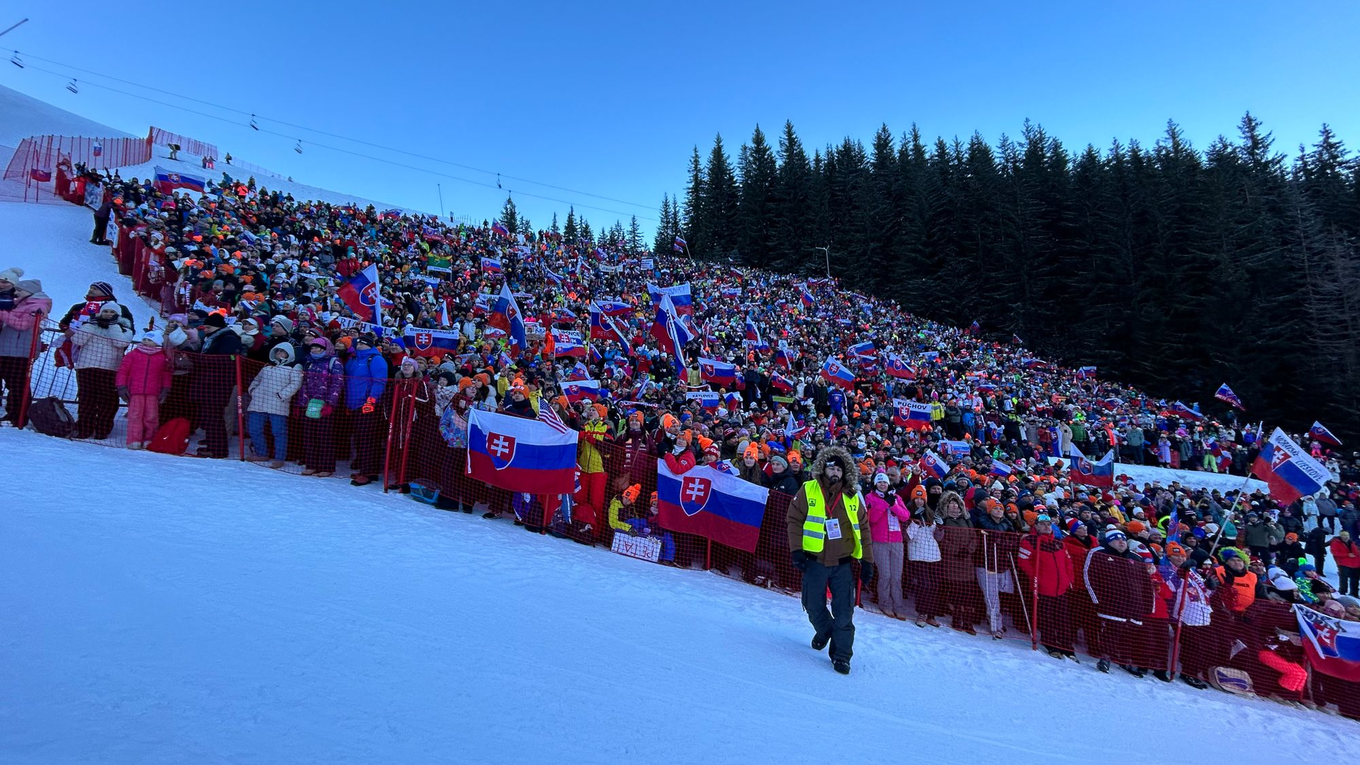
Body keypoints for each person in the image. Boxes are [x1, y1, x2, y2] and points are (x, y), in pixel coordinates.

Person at [787, 445, 874, 675]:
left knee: (844, 613)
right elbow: (793, 520)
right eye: (830, 468)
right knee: (813, 606)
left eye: (838, 468)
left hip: (843, 563)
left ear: (844, 472)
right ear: (822, 470)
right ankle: (824, 630)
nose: (834, 472)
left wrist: (867, 560)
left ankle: (841, 656)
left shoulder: (853, 496)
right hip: (814, 561)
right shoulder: (808, 490)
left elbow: (864, 529)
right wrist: (796, 550)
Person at [1083, 529, 1156, 676]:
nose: (1121, 541)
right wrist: (1097, 599)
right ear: (1109, 541)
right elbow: (1089, 575)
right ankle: (1105, 658)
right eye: (1116, 539)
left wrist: (1148, 605)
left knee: (1130, 634)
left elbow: (1147, 584)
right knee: (1112, 632)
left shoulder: (1135, 557)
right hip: (1111, 603)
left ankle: (1126, 660)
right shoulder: (1099, 553)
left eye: (1123, 538)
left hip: (1134, 606)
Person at [70, 302, 133, 440]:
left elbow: (120, 343)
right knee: (86, 400)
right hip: (86, 367)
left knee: (108, 401)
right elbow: (77, 340)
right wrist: (90, 325)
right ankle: (84, 428)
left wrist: (113, 325)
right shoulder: (90, 325)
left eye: (112, 312)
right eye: (106, 311)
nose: (108, 314)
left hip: (110, 369)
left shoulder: (124, 329)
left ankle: (102, 429)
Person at [1018, 514, 1076, 659]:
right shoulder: (1030, 541)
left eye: (1048, 524)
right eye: (1042, 524)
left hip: (1060, 587)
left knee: (1063, 618)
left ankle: (1066, 645)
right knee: (1046, 617)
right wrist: (1036, 577)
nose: (1046, 526)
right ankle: (1050, 643)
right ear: (1036, 526)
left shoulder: (1059, 543)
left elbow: (1068, 562)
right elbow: (1023, 561)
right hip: (1043, 587)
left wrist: (1069, 579)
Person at [0, 276, 52, 428]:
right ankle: (12, 413)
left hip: (20, 351)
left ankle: (18, 416)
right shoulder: (19, 304)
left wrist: (2, 313)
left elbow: (22, 325)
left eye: (19, 290)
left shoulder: (38, 306)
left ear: (29, 291)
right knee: (12, 383)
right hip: (8, 348)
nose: (16, 292)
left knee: (18, 384)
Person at [194, 313, 242, 458]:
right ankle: (211, 442)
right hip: (209, 382)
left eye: (208, 327)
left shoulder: (229, 339)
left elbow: (224, 360)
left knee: (215, 416)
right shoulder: (211, 338)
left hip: (219, 383)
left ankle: (218, 449)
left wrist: (201, 360)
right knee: (210, 415)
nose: (206, 329)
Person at [246, 343, 302, 468]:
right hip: (258, 402)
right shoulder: (267, 366)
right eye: (277, 351)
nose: (279, 353)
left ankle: (279, 458)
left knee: (279, 432)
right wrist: (253, 390)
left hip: (278, 404)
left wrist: (281, 395)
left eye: (282, 351)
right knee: (254, 429)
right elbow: (256, 379)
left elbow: (295, 383)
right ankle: (261, 453)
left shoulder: (294, 367)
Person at [863, 472, 910, 619]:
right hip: (880, 540)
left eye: (885, 482)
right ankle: (885, 603)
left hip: (896, 540)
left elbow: (905, 515)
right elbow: (872, 518)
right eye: (880, 482)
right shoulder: (870, 497)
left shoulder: (896, 498)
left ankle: (898, 605)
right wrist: (885, 504)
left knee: (896, 576)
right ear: (875, 484)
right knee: (885, 575)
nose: (883, 485)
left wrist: (893, 505)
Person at [114, 330, 171, 449]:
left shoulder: (162, 357)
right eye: (144, 339)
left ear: (157, 343)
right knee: (135, 415)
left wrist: (165, 389)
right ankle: (134, 439)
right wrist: (121, 386)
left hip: (153, 392)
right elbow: (123, 371)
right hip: (135, 391)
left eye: (150, 340)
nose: (146, 342)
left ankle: (149, 438)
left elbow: (166, 374)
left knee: (151, 416)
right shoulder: (133, 354)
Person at [344, 333, 388, 486]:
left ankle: (368, 472)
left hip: (367, 406)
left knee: (368, 440)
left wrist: (371, 400)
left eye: (363, 344)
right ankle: (367, 470)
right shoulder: (354, 359)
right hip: (354, 404)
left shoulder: (376, 360)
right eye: (358, 343)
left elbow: (379, 382)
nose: (359, 346)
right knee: (359, 439)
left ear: (370, 346)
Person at [298, 337, 344, 477]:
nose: (314, 350)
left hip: (324, 403)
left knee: (324, 437)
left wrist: (330, 403)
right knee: (309, 435)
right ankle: (311, 464)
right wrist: (302, 402)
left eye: (318, 348)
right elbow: (304, 383)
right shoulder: (309, 362)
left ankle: (326, 466)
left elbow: (337, 383)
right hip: (310, 403)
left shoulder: (333, 362)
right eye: (312, 348)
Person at [1330, 530, 1360, 597]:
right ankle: (1342, 592)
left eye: (1347, 535)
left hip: (1356, 563)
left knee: (1355, 579)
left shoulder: (1352, 542)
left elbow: (1357, 552)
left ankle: (1354, 593)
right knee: (1343, 579)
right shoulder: (1336, 542)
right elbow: (1335, 552)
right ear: (1340, 536)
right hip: (1343, 563)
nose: (1346, 537)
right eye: (1344, 535)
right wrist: (1347, 555)